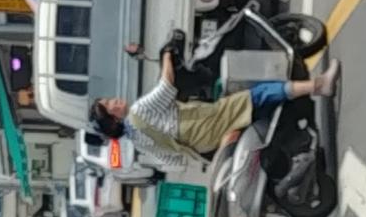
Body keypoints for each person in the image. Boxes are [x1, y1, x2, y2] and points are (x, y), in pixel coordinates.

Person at [89, 47, 341, 170]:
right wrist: (166, 54)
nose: (114, 100)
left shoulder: (138, 142)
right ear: (114, 119)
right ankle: (319, 86)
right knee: (256, 96)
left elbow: (173, 161)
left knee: (245, 108)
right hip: (201, 123)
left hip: (202, 145)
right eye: (110, 105)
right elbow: (167, 84)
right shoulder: (138, 112)